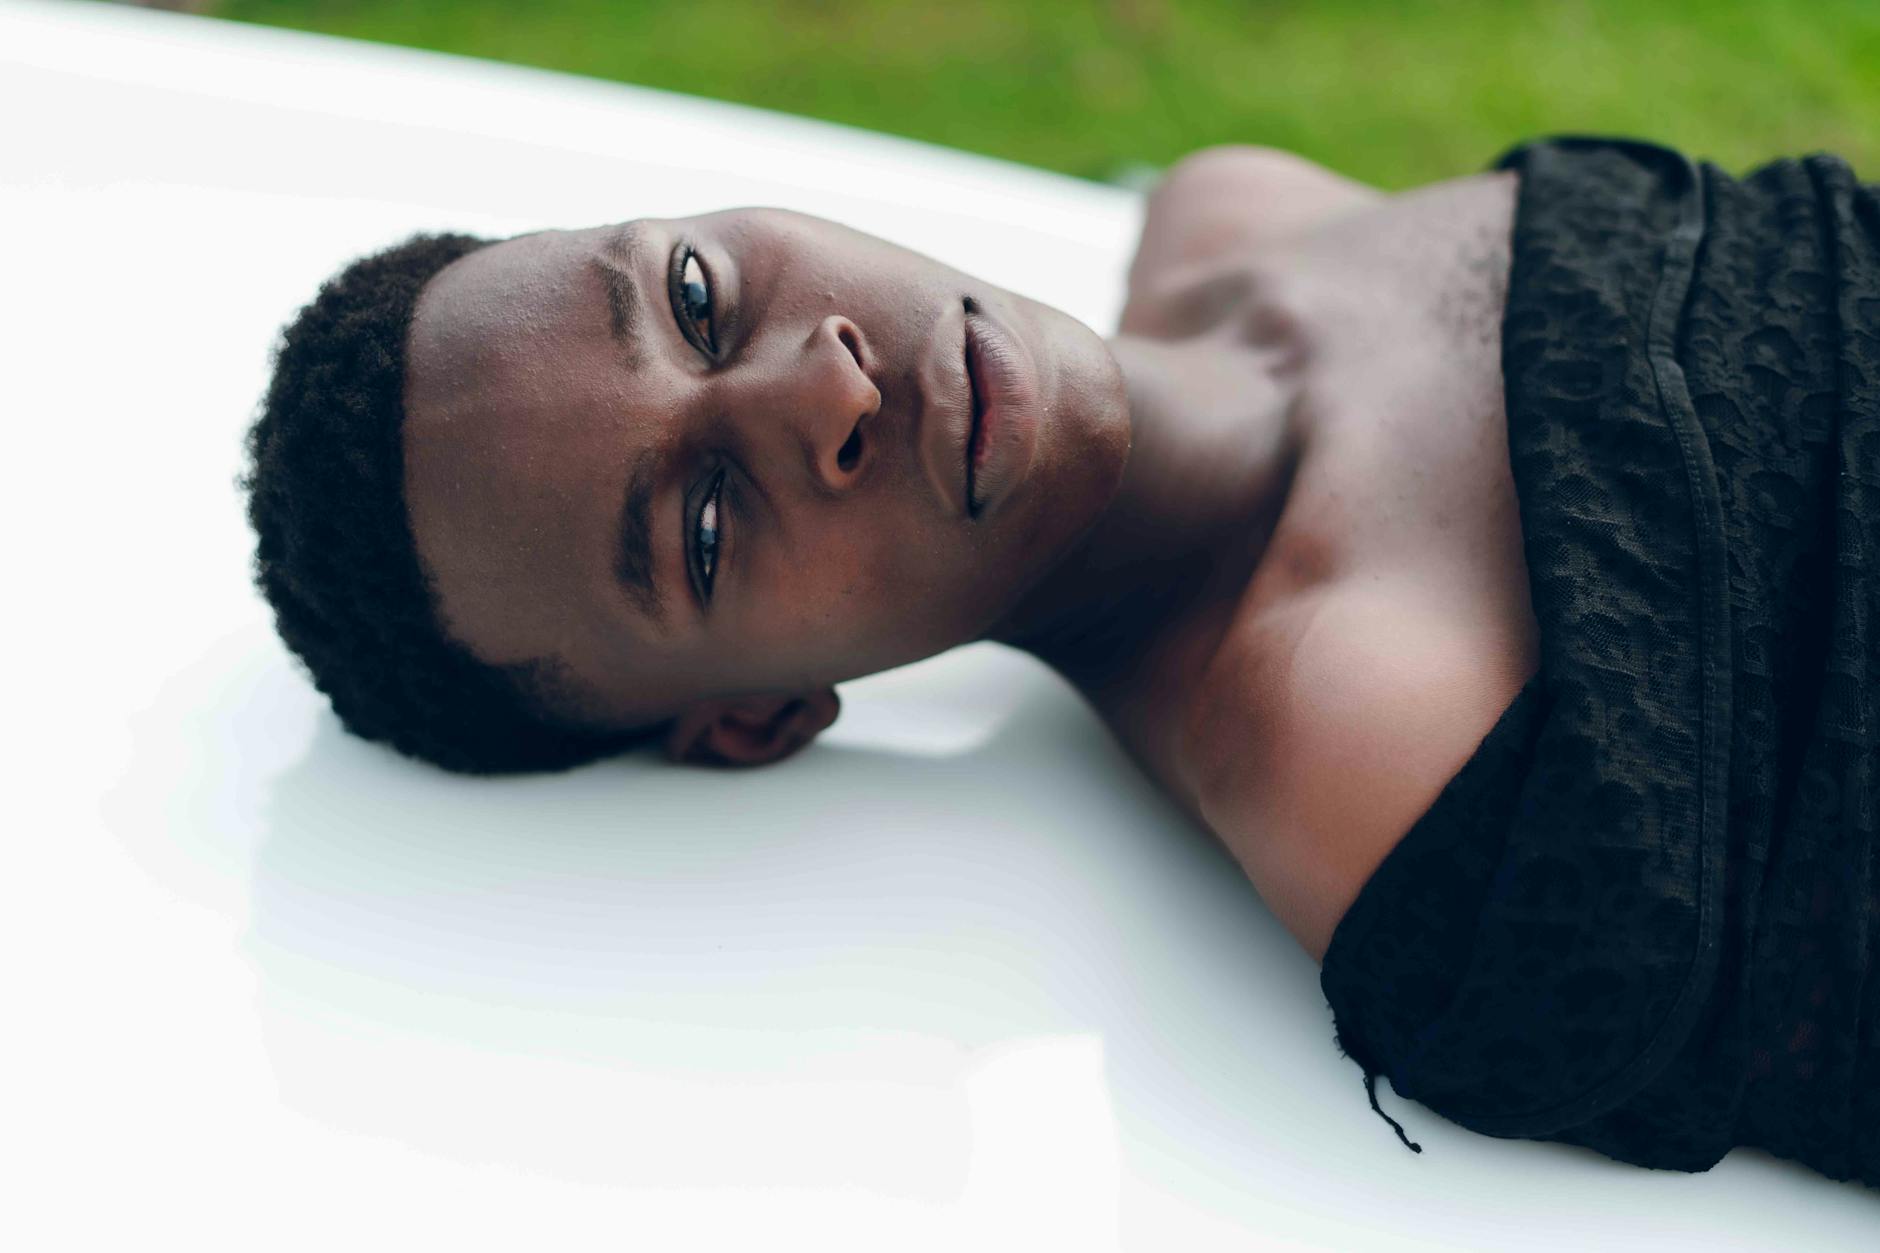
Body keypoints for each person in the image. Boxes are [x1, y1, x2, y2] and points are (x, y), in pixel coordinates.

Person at [243, 134, 1879, 1190]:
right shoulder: (1371, 746)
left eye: (693, 295)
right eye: (706, 533)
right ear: (753, 716)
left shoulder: (1230, 205)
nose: (824, 387)